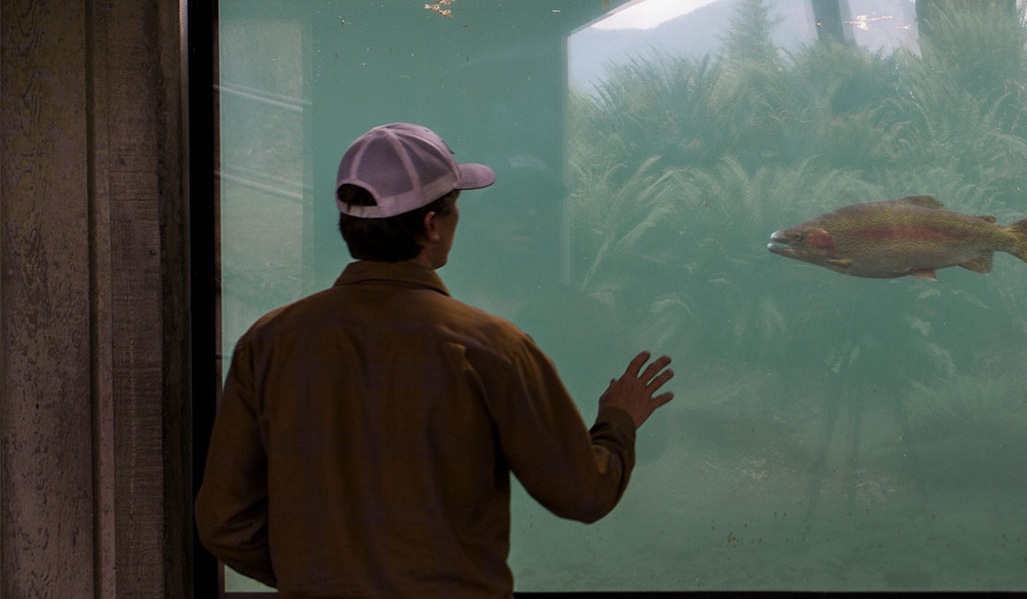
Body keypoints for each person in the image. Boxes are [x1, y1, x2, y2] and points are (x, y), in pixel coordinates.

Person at [195, 122, 676, 598]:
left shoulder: (268, 343)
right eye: (455, 207)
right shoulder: (494, 348)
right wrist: (619, 419)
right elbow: (582, 494)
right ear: (431, 226)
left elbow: (224, 522)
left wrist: (322, 577)